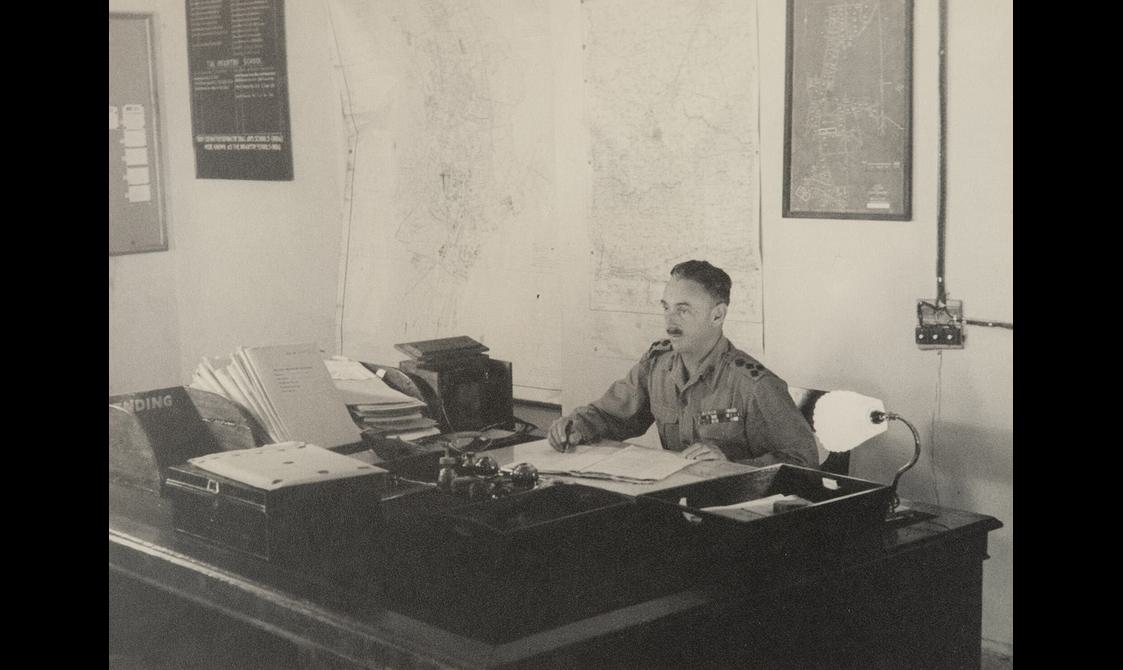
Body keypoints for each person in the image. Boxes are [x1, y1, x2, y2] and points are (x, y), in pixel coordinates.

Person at [547, 260, 819, 467]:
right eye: (666, 307)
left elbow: (804, 459)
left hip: (738, 513)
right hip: (679, 502)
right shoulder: (657, 365)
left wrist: (730, 464)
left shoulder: (754, 385)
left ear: (717, 315)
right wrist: (577, 425)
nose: (669, 322)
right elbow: (612, 416)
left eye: (683, 310)